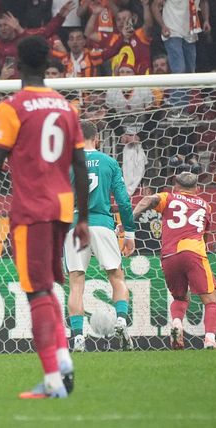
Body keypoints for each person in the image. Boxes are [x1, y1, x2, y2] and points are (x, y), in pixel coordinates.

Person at [0, 36, 88, 399]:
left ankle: (52, 381)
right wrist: (81, 219)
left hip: (32, 209)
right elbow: (79, 164)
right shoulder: (68, 108)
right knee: (48, 287)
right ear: (49, 62)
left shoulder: (11, 107)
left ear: (17, 64)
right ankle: (64, 366)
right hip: (64, 208)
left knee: (35, 291)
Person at [64, 121, 136, 352]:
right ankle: (121, 321)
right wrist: (130, 232)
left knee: (76, 283)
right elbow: (124, 201)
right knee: (117, 277)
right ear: (97, 139)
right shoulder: (109, 162)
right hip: (103, 224)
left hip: (75, 224)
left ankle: (77, 338)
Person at [132, 172, 216, 350]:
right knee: (211, 299)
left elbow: (146, 200)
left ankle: (177, 324)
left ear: (175, 186)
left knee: (180, 297)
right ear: (197, 189)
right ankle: (210, 340)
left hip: (169, 256)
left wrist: (129, 220)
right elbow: (204, 235)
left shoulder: (168, 197)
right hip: (194, 252)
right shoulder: (205, 205)